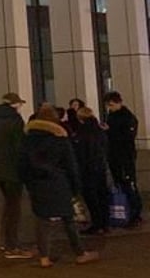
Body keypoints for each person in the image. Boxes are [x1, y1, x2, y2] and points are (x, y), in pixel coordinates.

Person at [19, 104, 99, 268]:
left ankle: (44, 257)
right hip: (58, 183)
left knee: (42, 220)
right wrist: (76, 188)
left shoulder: (27, 139)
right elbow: (71, 165)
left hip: (37, 184)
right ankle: (80, 253)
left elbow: (22, 164)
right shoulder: (60, 139)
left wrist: (28, 182)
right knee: (68, 218)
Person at [0, 92, 33, 259]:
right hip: (12, 170)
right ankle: (12, 246)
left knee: (8, 206)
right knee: (14, 208)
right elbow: (20, 148)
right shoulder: (15, 120)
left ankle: (5, 241)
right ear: (14, 104)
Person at [104, 91, 142, 229]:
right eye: (108, 105)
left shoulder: (127, 117)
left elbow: (127, 137)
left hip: (125, 157)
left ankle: (135, 213)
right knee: (120, 183)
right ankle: (127, 211)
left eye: (111, 105)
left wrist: (109, 131)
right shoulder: (111, 116)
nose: (110, 107)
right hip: (114, 155)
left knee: (129, 184)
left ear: (119, 102)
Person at [73, 107, 110, 235]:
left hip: (87, 169)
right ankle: (105, 223)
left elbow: (80, 153)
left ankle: (97, 223)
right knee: (102, 195)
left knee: (91, 197)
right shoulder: (100, 131)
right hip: (100, 167)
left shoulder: (81, 133)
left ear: (80, 118)